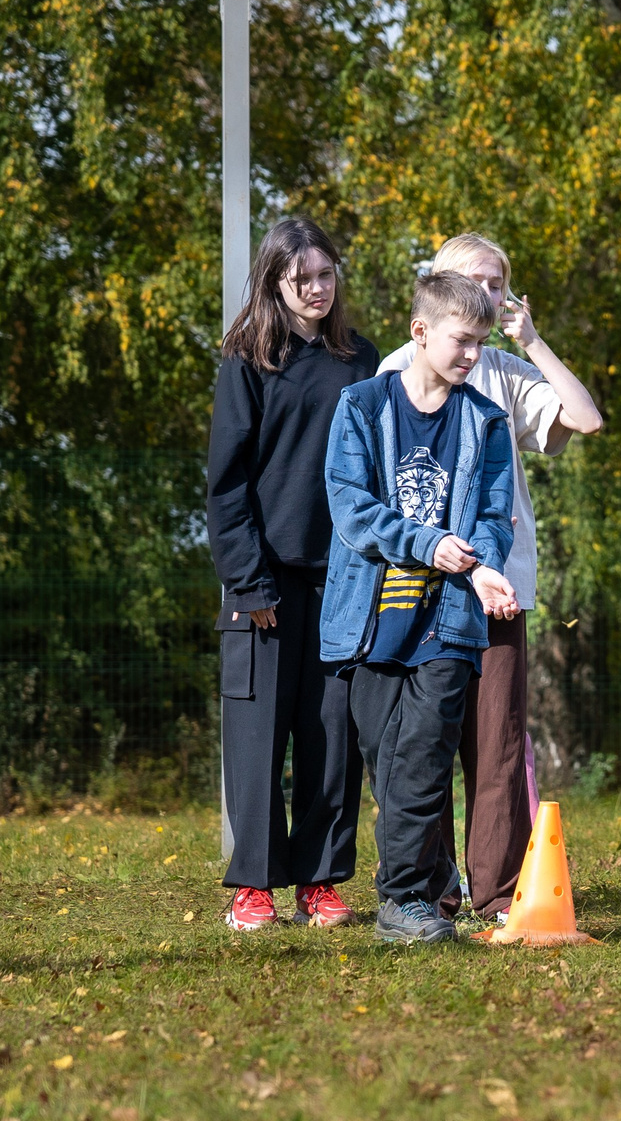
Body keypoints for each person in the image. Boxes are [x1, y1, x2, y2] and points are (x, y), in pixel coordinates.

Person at [377, 233, 605, 926]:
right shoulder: (393, 372)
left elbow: (585, 420)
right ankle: (430, 890)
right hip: (416, 588)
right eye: (475, 279)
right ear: (437, 291)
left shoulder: (506, 372)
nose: (489, 291)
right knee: (423, 742)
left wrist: (533, 342)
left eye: (499, 282)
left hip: (500, 590)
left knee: (497, 743)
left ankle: (499, 894)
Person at [319, 271, 518, 945]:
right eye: (462, 341)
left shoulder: (484, 422)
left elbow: (494, 515)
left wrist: (485, 567)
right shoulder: (358, 407)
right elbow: (351, 508)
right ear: (421, 332)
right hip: (368, 623)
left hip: (448, 624)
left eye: (481, 345)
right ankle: (431, 892)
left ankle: (402, 902)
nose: (471, 356)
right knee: (390, 761)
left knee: (425, 757)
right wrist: (427, 543)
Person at [206, 216, 378, 933]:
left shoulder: (362, 360)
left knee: (332, 740)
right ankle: (254, 889)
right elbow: (226, 484)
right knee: (257, 740)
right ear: (275, 282)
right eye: (300, 277)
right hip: (265, 589)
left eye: (325, 274)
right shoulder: (248, 361)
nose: (316, 287)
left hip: (343, 583)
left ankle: (320, 883)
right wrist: (248, 583)